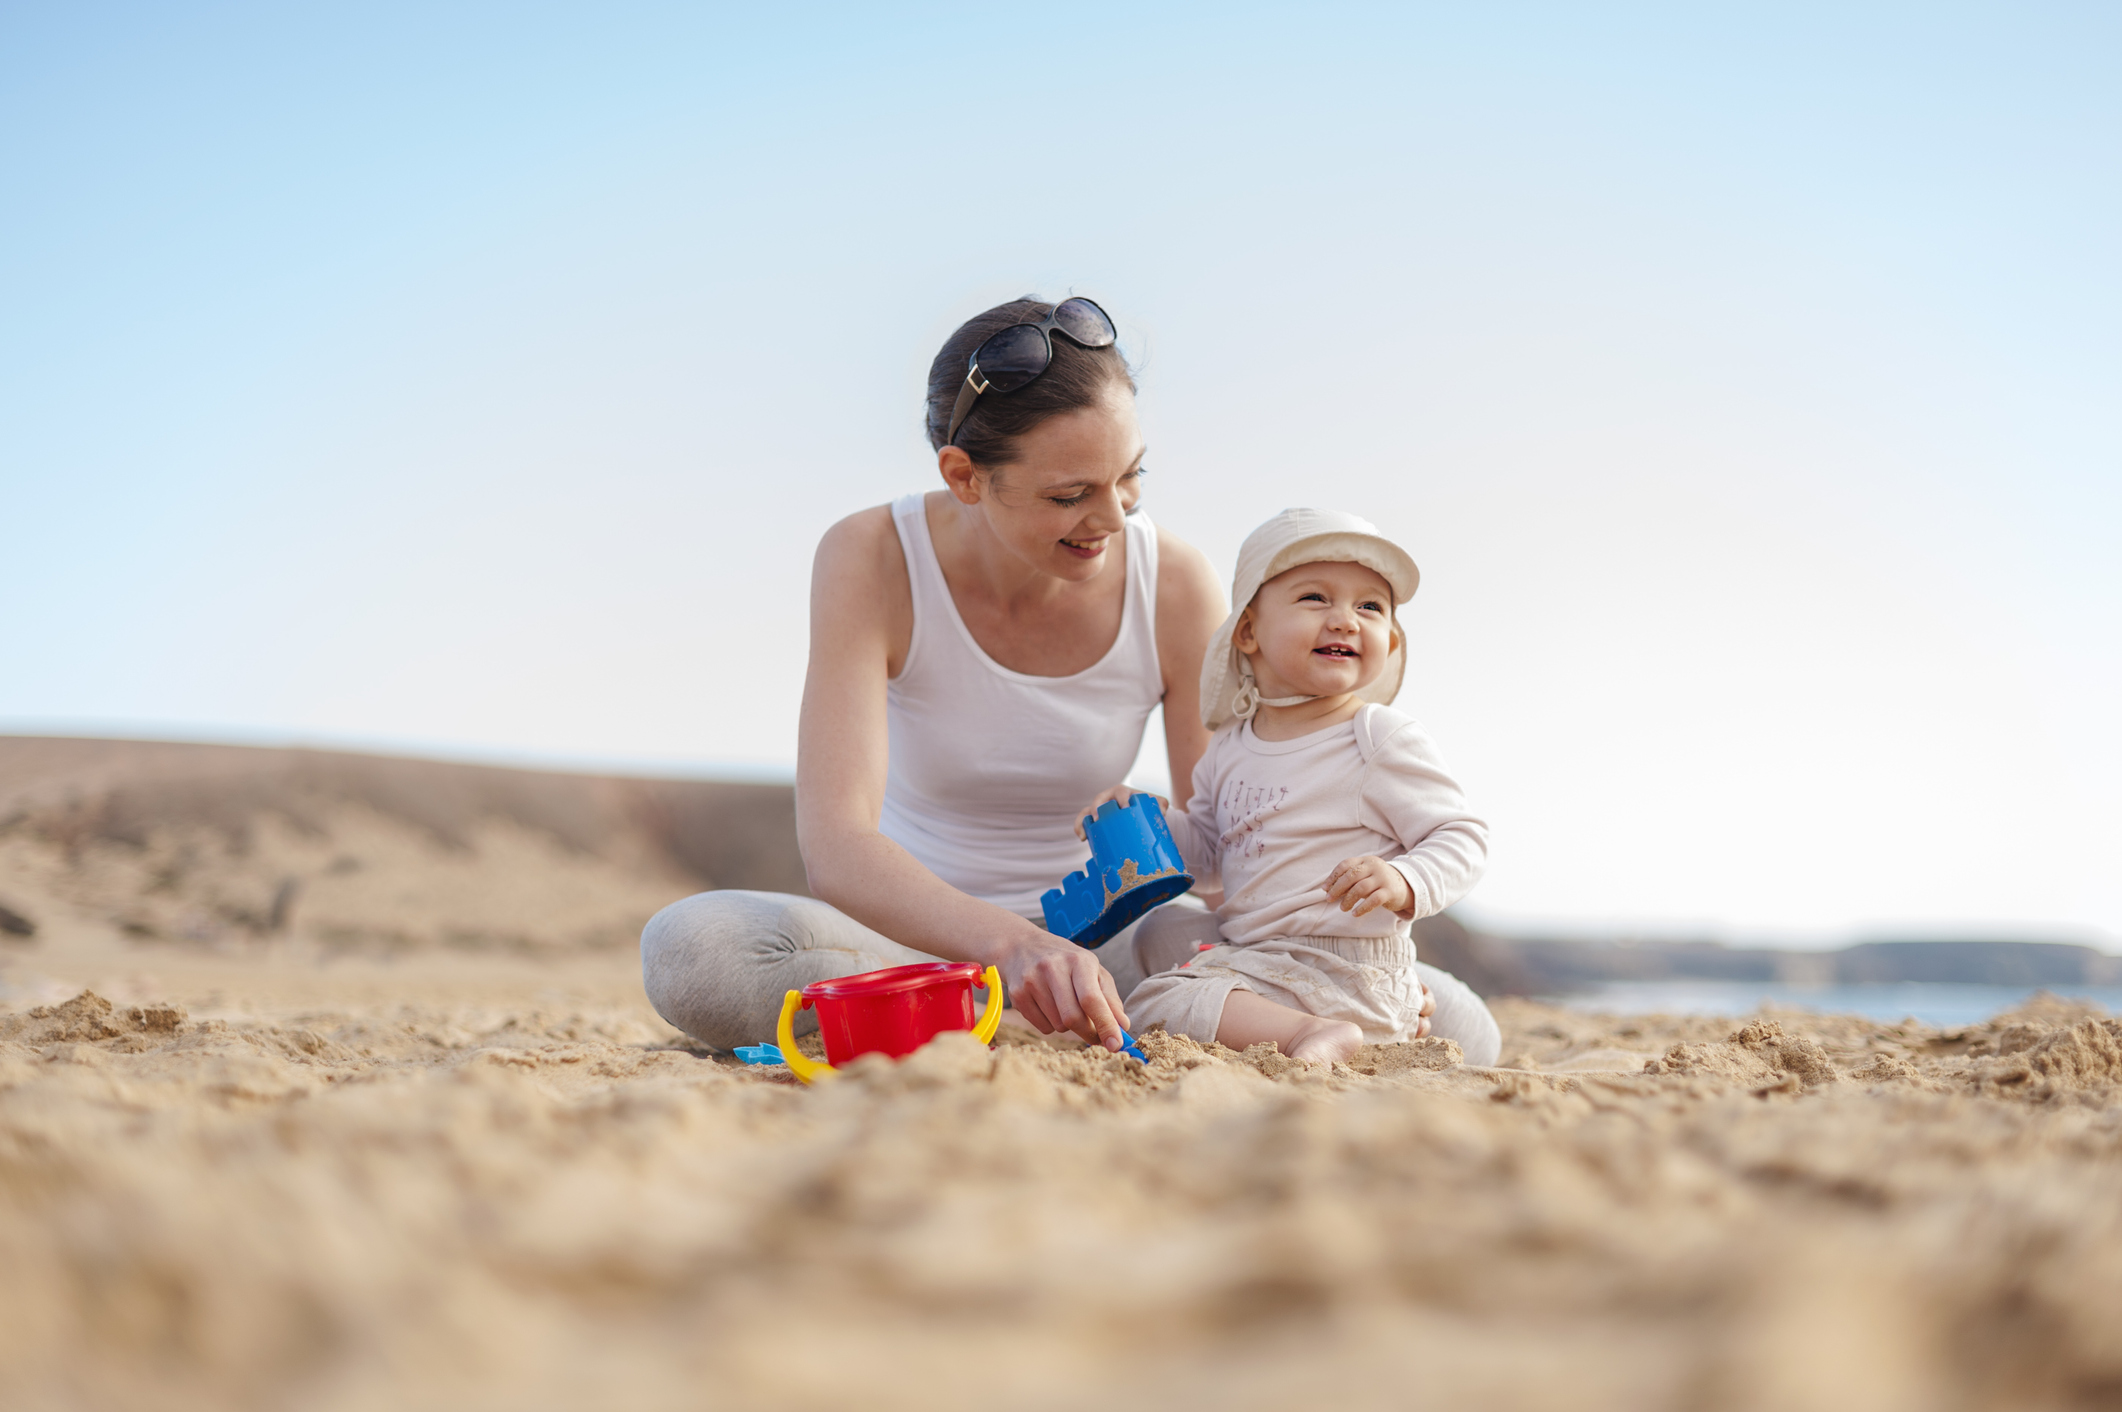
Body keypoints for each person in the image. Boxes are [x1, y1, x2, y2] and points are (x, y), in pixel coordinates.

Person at [639, 297, 1501, 1064]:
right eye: (1069, 495)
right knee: (697, 949)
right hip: (920, 932)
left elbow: (1230, 838)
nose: (1113, 517)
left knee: (1462, 1026)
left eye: (1131, 477)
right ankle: (996, 999)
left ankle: (996, 1017)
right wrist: (1013, 948)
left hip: (1120, 942)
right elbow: (838, 845)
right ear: (964, 477)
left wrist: (1312, 978)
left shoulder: (1172, 581)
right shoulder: (871, 558)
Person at [1101, 508, 1496, 1066]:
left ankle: (1307, 1034)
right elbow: (1213, 856)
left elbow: (1462, 836)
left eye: (1370, 606)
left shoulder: (1375, 737)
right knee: (1159, 930)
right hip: (1262, 958)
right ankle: (1285, 1021)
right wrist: (1149, 821)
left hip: (1347, 967)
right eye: (1315, 598)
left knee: (1150, 1005)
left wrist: (1405, 877)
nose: (1345, 620)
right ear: (1248, 631)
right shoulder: (1230, 747)